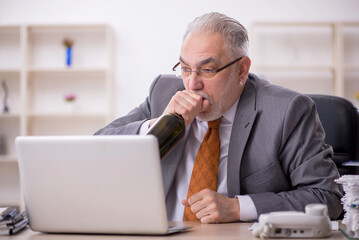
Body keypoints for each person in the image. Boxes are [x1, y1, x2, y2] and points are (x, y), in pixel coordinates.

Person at [95, 12, 343, 223]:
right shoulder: (163, 93)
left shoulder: (288, 110)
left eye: (208, 70)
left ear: (242, 70)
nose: (192, 84)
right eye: (185, 68)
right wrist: (161, 123)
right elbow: (98, 147)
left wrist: (237, 207)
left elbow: (327, 196)